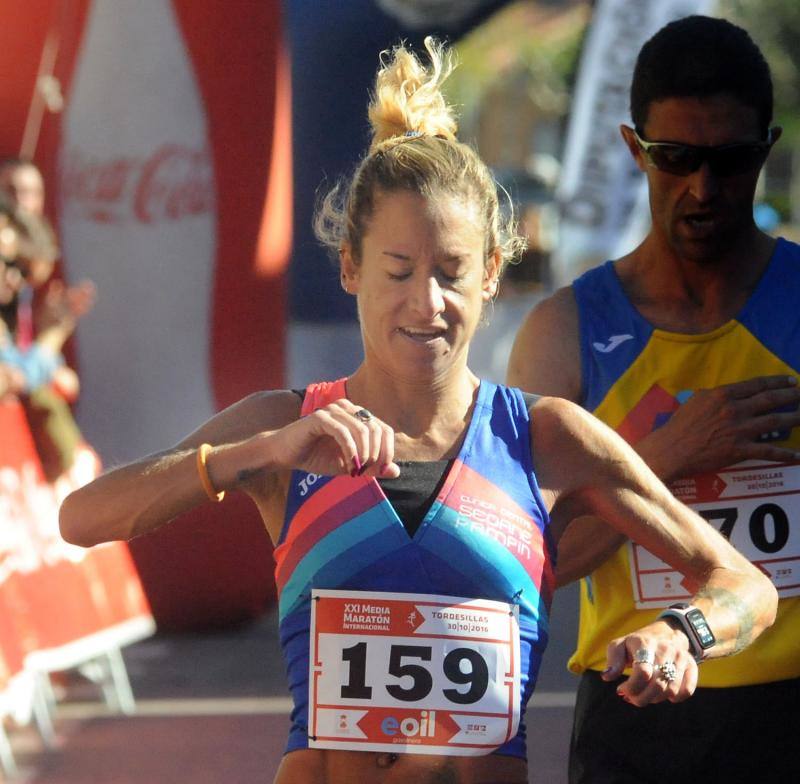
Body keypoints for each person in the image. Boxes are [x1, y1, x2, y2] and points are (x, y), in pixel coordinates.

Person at [60, 38, 777, 784]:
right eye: (398, 271)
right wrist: (260, 454)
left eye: (452, 273)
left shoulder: (543, 439)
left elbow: (743, 585)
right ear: (349, 267)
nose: (424, 303)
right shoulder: (287, 429)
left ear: (492, 274)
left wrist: (682, 633)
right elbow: (82, 518)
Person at [508, 15, 800, 784]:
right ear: (635, 149)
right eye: (676, 159)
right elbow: (527, 562)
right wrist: (659, 461)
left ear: (765, 148)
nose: (703, 188)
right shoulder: (564, 331)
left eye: (730, 160)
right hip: (642, 716)